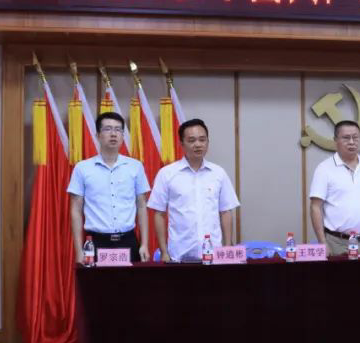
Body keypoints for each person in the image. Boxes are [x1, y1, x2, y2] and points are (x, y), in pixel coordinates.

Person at [149, 118, 239, 262]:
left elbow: (226, 212)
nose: (198, 144)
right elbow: (159, 214)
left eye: (202, 140)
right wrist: (164, 252)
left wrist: (227, 247)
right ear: (182, 143)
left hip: (213, 256)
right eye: (191, 140)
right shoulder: (167, 174)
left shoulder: (218, 173)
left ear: (207, 142)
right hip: (179, 256)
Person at [67, 111, 150, 263]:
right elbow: (76, 210)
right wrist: (79, 250)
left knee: (131, 280)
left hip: (128, 240)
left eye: (118, 129)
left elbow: (142, 206)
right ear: (98, 135)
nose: (113, 134)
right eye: (108, 129)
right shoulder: (82, 168)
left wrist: (144, 244)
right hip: (96, 242)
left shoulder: (135, 166)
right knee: (97, 280)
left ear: (123, 136)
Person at [309, 120, 360, 255]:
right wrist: (322, 242)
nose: (352, 142)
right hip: (337, 243)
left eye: (355, 137)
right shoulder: (324, 169)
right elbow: (315, 207)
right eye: (346, 138)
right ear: (335, 140)